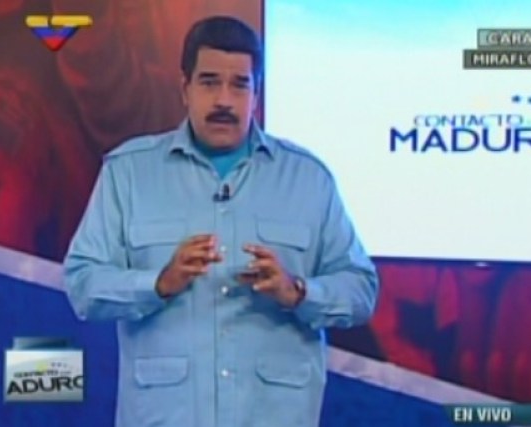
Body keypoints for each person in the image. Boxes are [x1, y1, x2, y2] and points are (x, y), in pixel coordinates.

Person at [63, 15, 379, 427]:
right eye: (209, 82)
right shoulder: (128, 174)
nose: (224, 101)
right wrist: (157, 283)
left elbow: (361, 288)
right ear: (185, 89)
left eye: (239, 84)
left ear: (256, 93)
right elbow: (83, 283)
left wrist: (297, 292)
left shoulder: (308, 179)